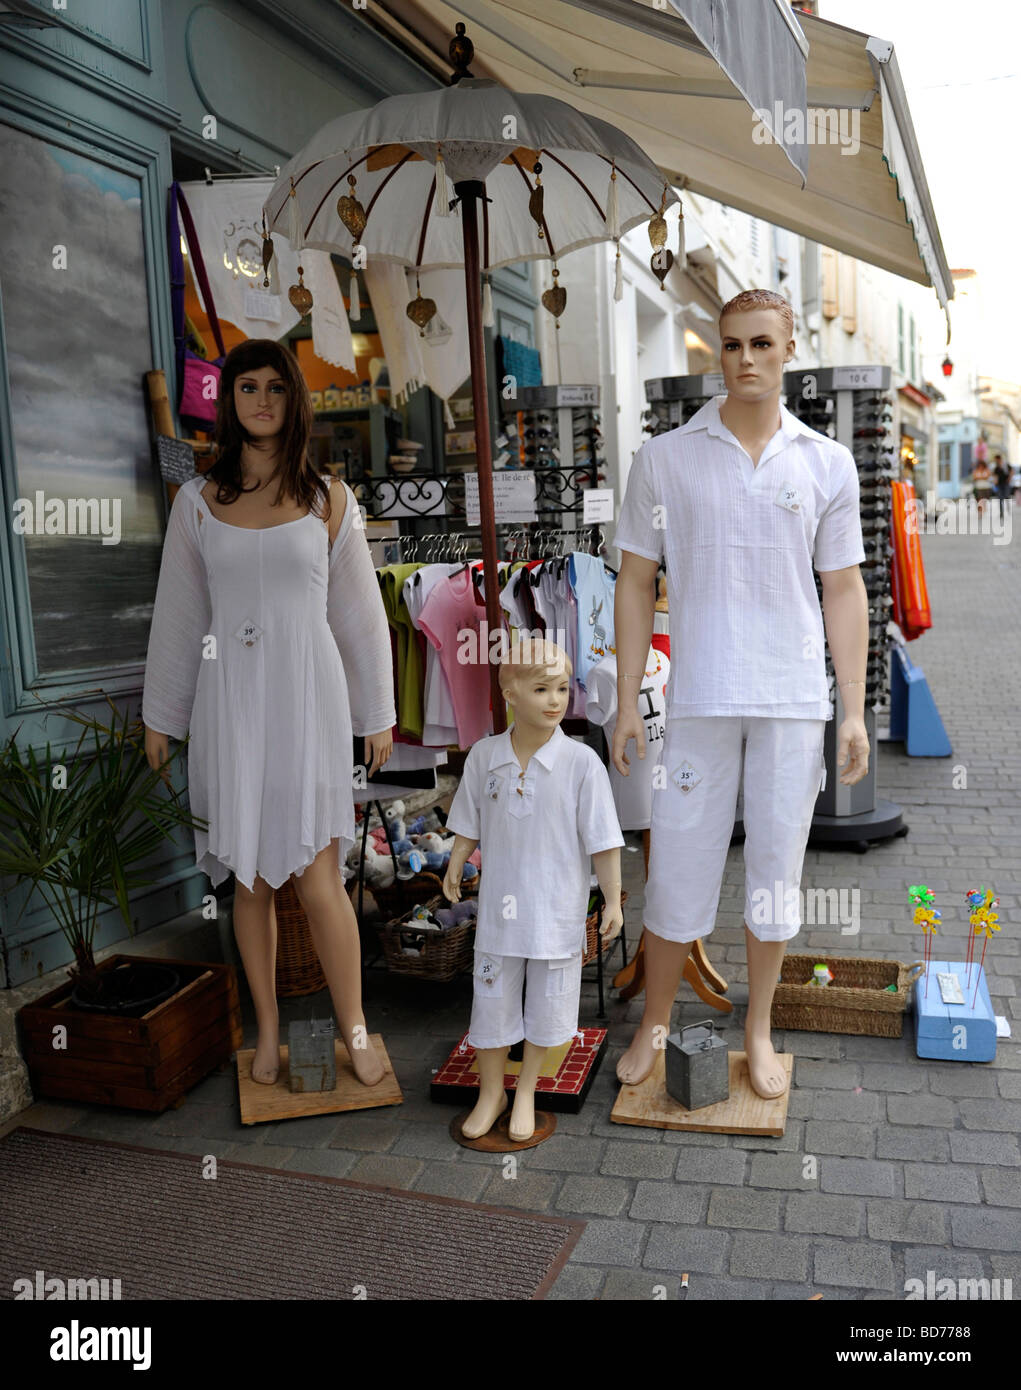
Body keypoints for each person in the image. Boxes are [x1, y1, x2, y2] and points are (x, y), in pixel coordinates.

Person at [612, 288, 870, 1100]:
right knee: (679, 863)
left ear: (789, 346)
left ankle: (756, 1026)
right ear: (714, 351)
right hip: (698, 698)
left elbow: (843, 588)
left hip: (792, 700)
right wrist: (625, 698)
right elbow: (632, 580)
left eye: (761, 343)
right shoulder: (663, 458)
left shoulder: (826, 462)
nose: (746, 359)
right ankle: (653, 1024)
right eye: (730, 345)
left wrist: (855, 709)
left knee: (773, 872)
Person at [142, 339, 396, 1088]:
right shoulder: (197, 502)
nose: (260, 399)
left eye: (275, 388)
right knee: (246, 880)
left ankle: (353, 1027)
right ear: (229, 401)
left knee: (319, 876)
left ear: (294, 401)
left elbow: (360, 616)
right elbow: (179, 617)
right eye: (246, 386)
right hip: (231, 702)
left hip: (308, 698)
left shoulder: (328, 499)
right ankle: (269, 1029)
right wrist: (164, 715)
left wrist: (376, 711)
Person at [442, 637, 624, 1142]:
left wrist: (611, 898)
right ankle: (490, 1090)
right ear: (510, 694)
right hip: (500, 916)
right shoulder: (483, 757)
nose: (554, 700)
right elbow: (468, 820)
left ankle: (525, 1090)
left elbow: (603, 837)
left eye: (563, 688)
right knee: (492, 1000)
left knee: (549, 1005)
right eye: (540, 688)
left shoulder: (581, 763)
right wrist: (456, 860)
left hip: (556, 912)